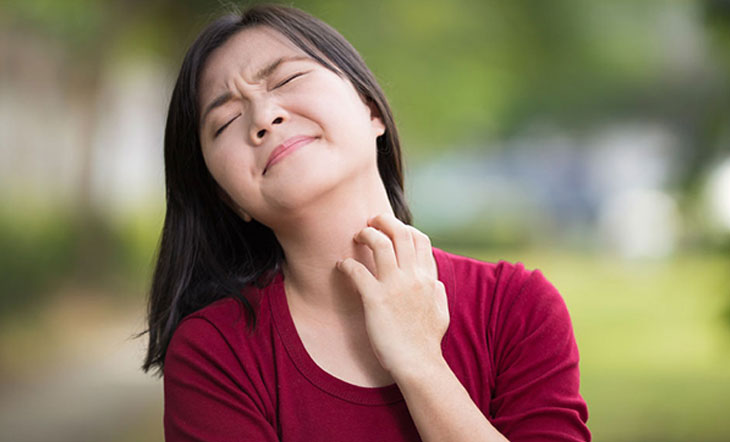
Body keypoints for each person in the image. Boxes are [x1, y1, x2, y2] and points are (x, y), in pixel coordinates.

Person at [141, 4, 591, 441]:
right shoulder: (214, 353)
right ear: (226, 196)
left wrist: (420, 362)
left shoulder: (516, 307)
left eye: (288, 79)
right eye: (226, 121)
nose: (263, 118)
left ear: (371, 109)